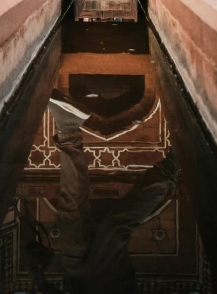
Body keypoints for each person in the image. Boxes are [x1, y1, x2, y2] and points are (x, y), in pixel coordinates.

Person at [47, 89, 181, 294]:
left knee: (71, 212)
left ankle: (68, 127)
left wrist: (39, 275)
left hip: (75, 285)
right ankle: (173, 165)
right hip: (107, 288)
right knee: (114, 229)